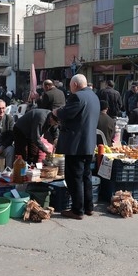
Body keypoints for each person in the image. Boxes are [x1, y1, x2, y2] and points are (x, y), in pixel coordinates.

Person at [53, 74, 100, 220]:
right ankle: (88, 207)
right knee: (86, 176)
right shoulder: (94, 96)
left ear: (74, 84)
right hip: (88, 143)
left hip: (76, 145)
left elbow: (66, 113)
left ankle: (77, 210)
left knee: (75, 178)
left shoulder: (78, 97)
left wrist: (57, 112)